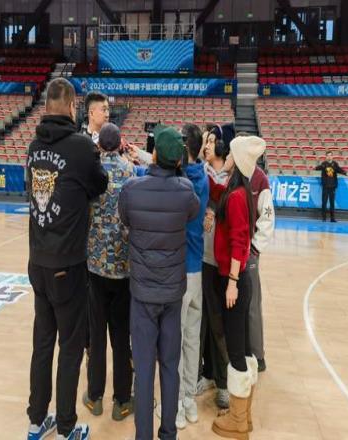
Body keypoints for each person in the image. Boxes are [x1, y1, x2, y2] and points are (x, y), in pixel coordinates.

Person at [26, 78, 108, 440]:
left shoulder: (32, 147)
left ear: (46, 106)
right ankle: (65, 426)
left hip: (38, 262)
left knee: (43, 343)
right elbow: (99, 185)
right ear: (73, 106)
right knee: (71, 347)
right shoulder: (80, 147)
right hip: (68, 264)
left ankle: (36, 420)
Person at [118, 125, 200, 440]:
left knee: (143, 370)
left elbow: (125, 219)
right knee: (169, 366)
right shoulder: (185, 192)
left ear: (153, 154)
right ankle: (168, 433)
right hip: (172, 293)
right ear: (178, 160)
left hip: (142, 294)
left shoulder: (132, 190)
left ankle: (143, 435)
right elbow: (192, 213)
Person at [208, 136, 266, 439]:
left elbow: (240, 241)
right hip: (239, 280)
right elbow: (216, 190)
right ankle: (243, 414)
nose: (225, 156)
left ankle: (238, 420)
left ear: (238, 159)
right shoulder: (235, 191)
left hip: (235, 281)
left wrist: (231, 283)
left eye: (230, 153)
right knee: (242, 347)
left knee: (236, 350)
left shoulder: (236, 197)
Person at [154, 124, 209, 430]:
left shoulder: (179, 183)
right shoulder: (203, 178)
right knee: (191, 339)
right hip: (197, 268)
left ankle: (173, 405)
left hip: (178, 270)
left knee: (173, 340)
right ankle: (188, 399)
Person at [83, 123, 134, 421]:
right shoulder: (130, 171)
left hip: (96, 265)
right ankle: (122, 400)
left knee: (97, 335)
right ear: (119, 144)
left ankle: (95, 396)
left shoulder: (92, 171)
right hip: (124, 267)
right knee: (121, 336)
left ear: (100, 145)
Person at [197, 133, 230, 410]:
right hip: (202, 259)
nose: (206, 146)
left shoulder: (232, 180)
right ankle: (204, 374)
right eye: (204, 141)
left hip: (223, 263)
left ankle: (223, 383)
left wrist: (214, 210)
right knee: (201, 324)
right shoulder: (200, 174)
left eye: (211, 141)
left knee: (219, 327)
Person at [237, 133, 275, 374]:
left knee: (252, 303)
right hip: (234, 250)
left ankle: (257, 354)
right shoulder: (236, 175)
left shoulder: (260, 180)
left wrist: (255, 248)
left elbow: (268, 218)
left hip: (248, 253)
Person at [315, 151, 347, 222]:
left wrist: (345, 172)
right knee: (324, 202)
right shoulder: (324, 164)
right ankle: (324, 218)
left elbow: (339, 170)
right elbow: (318, 168)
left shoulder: (335, 164)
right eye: (328, 155)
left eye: (330, 155)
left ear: (332, 156)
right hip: (325, 186)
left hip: (332, 186)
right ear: (326, 157)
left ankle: (332, 218)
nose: (329, 157)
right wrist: (315, 167)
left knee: (332, 203)